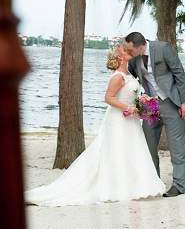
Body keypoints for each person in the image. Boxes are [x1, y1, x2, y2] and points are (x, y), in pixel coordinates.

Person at [25, 45, 165, 206]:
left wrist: (142, 101)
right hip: (119, 118)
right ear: (120, 57)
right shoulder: (118, 77)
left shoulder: (129, 73)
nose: (129, 52)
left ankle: (132, 185)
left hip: (130, 119)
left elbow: (128, 94)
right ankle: (114, 186)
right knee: (116, 151)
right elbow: (108, 98)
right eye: (125, 51)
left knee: (130, 150)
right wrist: (129, 107)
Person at [124, 32, 185, 197]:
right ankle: (153, 182)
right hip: (149, 106)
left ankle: (179, 186)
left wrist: (183, 102)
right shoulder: (134, 58)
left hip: (171, 102)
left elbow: (179, 74)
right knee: (149, 146)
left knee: (177, 147)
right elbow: (131, 77)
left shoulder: (163, 48)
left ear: (141, 46)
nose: (130, 53)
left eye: (132, 50)